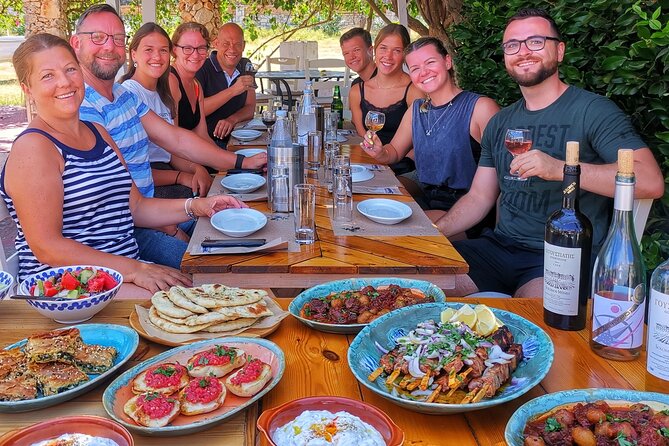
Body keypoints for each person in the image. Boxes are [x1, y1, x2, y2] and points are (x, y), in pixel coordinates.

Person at [429, 8, 663, 297]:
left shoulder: (593, 111)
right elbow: (479, 197)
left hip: (562, 255)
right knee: (414, 289)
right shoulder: (500, 123)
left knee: (538, 323)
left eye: (536, 42)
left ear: (560, 50)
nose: (523, 51)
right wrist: (434, 231)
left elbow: (650, 180)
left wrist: (561, 169)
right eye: (512, 45)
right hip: (498, 249)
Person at [2, 33, 247, 292]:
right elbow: (47, 248)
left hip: (120, 272)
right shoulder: (35, 148)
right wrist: (135, 269)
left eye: (70, 69)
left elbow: (136, 207)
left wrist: (199, 206)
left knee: (227, 284)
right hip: (67, 287)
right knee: (208, 297)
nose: (64, 82)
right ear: (27, 88)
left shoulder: (98, 132)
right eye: (47, 75)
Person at [69, 4, 263, 268]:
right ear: (76, 43)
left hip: (147, 215)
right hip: (125, 235)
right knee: (219, 267)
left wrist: (240, 162)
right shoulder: (81, 106)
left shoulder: (123, 96)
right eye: (98, 37)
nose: (108, 46)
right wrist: (174, 224)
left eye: (116, 38)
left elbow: (177, 139)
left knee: (241, 237)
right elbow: (127, 196)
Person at [361, 37, 500, 237]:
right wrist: (379, 151)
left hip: (467, 211)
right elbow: (392, 153)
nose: (423, 72)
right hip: (428, 200)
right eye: (415, 68)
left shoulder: (480, 108)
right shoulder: (416, 110)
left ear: (448, 61)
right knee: (369, 210)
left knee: (390, 235)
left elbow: (503, 178)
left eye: (430, 62)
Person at [121, 22, 212, 200]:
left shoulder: (162, 92)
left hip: (169, 170)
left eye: (163, 50)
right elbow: (133, 171)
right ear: (133, 54)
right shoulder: (129, 93)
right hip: (146, 189)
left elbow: (171, 152)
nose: (157, 56)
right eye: (149, 50)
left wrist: (198, 168)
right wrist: (182, 176)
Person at [349, 24, 423, 175]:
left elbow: (422, 139)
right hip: (369, 163)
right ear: (374, 50)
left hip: (403, 166)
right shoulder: (357, 91)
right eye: (383, 48)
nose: (388, 56)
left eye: (397, 50)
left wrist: (404, 165)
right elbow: (362, 133)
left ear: (405, 55)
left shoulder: (414, 91)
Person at [196, 22, 256, 146]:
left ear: (244, 46)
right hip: (207, 142)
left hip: (240, 138)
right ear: (216, 43)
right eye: (226, 44)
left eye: (237, 44)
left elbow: (250, 107)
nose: (232, 49)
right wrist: (233, 90)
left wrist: (232, 120)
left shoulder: (246, 65)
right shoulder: (202, 68)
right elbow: (197, 110)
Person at [168, 22, 215, 144]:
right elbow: (173, 144)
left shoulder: (196, 85)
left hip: (192, 154)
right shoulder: (171, 80)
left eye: (201, 48)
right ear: (174, 49)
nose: (195, 55)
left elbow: (203, 135)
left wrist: (230, 159)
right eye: (187, 48)